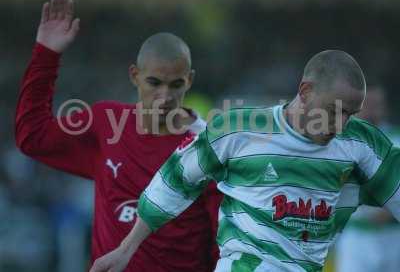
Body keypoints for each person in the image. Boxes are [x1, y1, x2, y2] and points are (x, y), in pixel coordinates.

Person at [90, 50, 400, 272]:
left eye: (350, 113)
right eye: (334, 110)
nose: (342, 124)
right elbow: (175, 179)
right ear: (305, 91)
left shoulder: (363, 143)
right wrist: (126, 249)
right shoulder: (238, 129)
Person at [15, 0, 222, 271]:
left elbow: (223, 239)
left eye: (176, 85)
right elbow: (33, 137)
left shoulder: (208, 148)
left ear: (190, 81)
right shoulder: (105, 125)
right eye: (154, 82)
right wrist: (46, 54)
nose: (165, 95)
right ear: (134, 75)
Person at [335, 86, 400, 272]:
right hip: (355, 235)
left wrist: (390, 209)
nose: (372, 111)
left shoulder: (397, 138)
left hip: (394, 235)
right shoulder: (339, 140)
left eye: (376, 105)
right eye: (366, 105)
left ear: (384, 107)